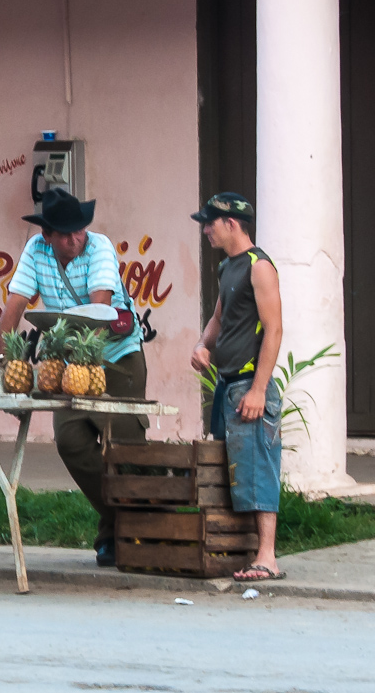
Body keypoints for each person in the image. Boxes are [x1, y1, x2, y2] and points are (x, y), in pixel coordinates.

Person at [0, 187, 146, 567]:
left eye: (79, 230)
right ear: (47, 235)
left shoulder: (100, 248)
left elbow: (100, 308)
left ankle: (120, 535)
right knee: (71, 442)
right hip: (68, 364)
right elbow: (15, 305)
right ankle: (120, 521)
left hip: (117, 356)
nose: (75, 238)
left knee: (124, 448)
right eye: (65, 233)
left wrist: (76, 361)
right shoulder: (35, 252)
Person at [189, 192, 285, 582]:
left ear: (232, 223)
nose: (206, 229)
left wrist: (259, 389)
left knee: (259, 467)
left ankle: (268, 557)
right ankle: (238, 550)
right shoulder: (226, 268)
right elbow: (219, 316)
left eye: (211, 222)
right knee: (229, 471)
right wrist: (201, 344)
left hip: (249, 385)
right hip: (227, 385)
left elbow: (275, 330)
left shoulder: (259, 268)